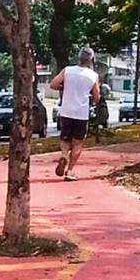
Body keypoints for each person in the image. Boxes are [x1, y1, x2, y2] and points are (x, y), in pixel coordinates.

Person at [49, 46, 100, 181]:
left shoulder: (68, 71)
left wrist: (64, 87)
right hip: (81, 114)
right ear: (91, 60)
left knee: (65, 139)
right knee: (78, 143)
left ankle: (64, 155)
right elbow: (97, 97)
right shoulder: (93, 76)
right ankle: (70, 171)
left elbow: (53, 85)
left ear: (79, 57)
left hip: (66, 111)